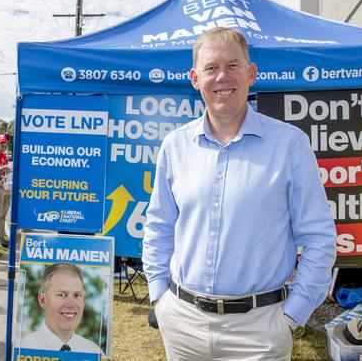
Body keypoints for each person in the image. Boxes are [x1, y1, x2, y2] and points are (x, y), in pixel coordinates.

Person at [142, 27, 337, 361]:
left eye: (233, 65)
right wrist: (160, 298)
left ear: (251, 73)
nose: (222, 77)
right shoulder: (175, 146)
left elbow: (319, 238)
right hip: (183, 324)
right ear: (194, 78)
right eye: (211, 68)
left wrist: (293, 315)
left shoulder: (290, 145)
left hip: (260, 331)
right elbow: (159, 227)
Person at [20, 263, 102, 354]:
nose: (71, 304)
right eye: (61, 295)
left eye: (77, 295)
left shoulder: (95, 353)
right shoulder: (21, 350)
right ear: (43, 300)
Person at [0, 134, 12, 246]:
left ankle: (2, 234)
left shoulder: (4, 156)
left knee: (4, 213)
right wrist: (0, 170)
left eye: (5, 142)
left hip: (6, 185)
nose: (3, 145)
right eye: (1, 143)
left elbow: (5, 172)